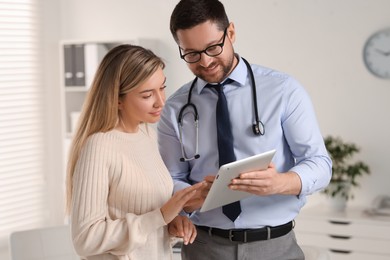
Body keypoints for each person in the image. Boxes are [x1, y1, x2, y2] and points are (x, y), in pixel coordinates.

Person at [157, 1, 332, 259]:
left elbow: (320, 164)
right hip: (203, 247)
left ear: (231, 33)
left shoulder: (283, 91)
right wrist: (190, 197)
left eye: (213, 47)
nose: (205, 61)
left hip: (274, 245)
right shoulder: (174, 108)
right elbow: (169, 179)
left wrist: (280, 183)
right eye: (191, 54)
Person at [65, 44, 205, 260]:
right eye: (147, 94)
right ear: (118, 99)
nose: (160, 101)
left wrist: (170, 223)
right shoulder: (99, 147)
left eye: (162, 88)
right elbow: (86, 239)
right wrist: (159, 217)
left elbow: (146, 218)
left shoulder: (147, 134)